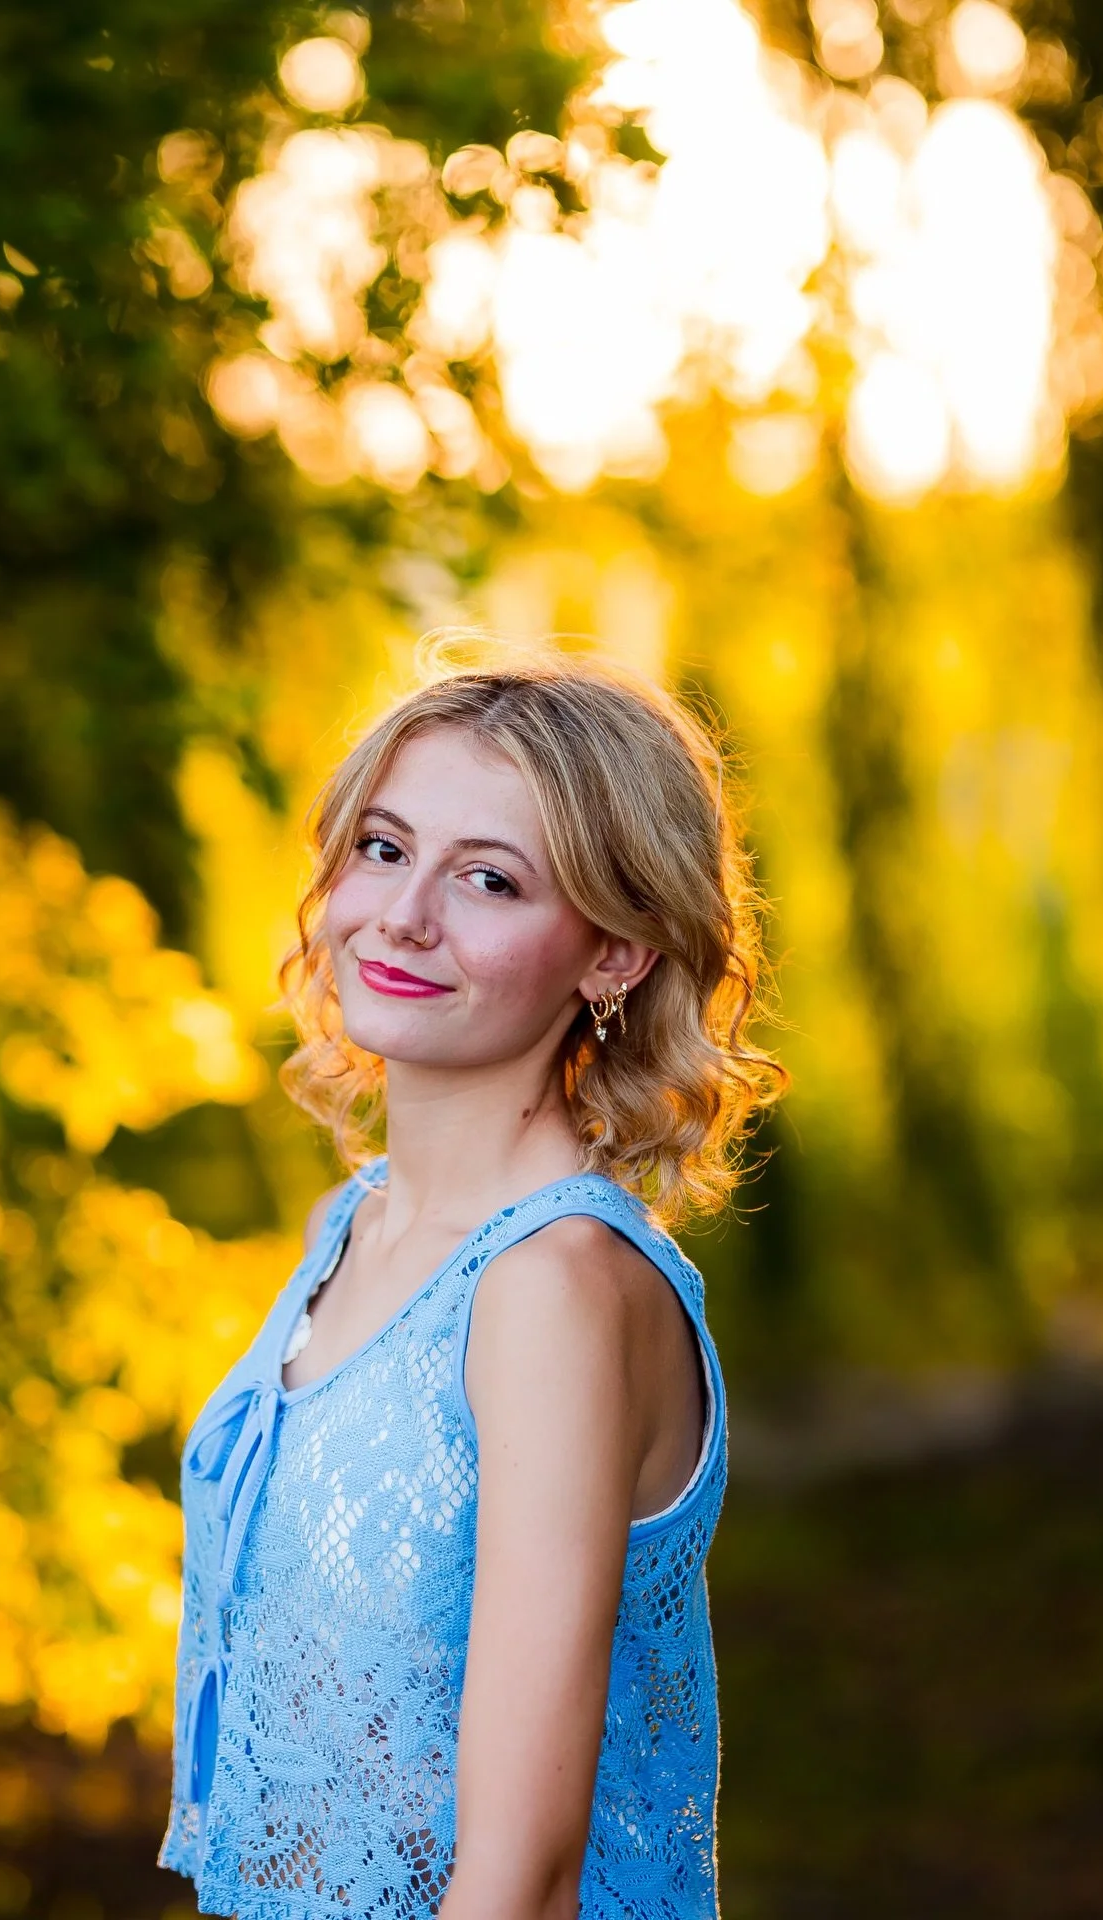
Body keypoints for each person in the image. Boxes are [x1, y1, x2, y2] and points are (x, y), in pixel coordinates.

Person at [158, 650, 787, 1919]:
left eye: (488, 879)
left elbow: (521, 1879)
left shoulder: (554, 1287)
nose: (402, 916)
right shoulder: (351, 1226)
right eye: (383, 850)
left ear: (612, 956)